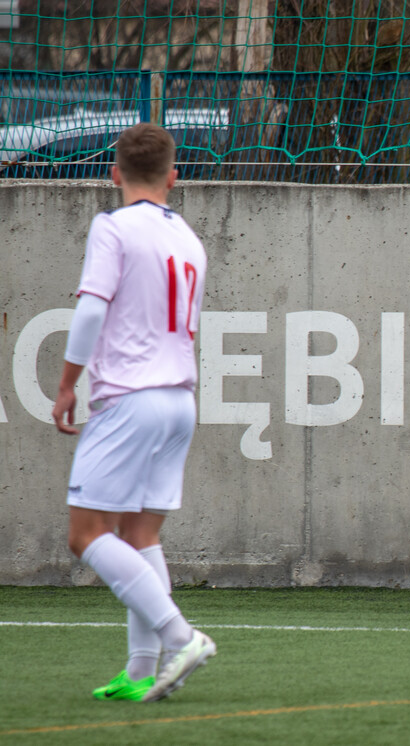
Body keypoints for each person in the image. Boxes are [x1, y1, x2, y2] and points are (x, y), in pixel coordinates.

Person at [52, 122, 215, 702]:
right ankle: (143, 669)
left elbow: (93, 310)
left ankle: (180, 636)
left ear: (114, 173)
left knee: (86, 534)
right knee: (140, 535)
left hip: (132, 398)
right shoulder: (190, 238)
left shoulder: (113, 227)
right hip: (180, 402)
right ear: (174, 176)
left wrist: (69, 383)